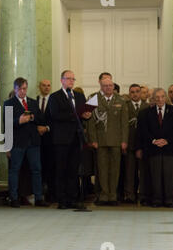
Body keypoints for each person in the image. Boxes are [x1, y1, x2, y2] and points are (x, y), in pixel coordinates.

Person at [47, 70, 91, 209]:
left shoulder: (79, 96)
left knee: (73, 170)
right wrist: (75, 114)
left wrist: (86, 115)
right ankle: (62, 199)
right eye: (68, 78)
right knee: (61, 170)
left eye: (73, 79)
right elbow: (55, 115)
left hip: (76, 138)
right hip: (61, 139)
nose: (71, 81)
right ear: (62, 80)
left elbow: (83, 113)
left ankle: (73, 198)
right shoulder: (55, 97)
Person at [3, 77, 49, 208]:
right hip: (17, 142)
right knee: (15, 170)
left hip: (33, 141)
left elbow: (41, 118)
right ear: (15, 89)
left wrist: (33, 117)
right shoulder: (9, 103)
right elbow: (6, 124)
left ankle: (38, 197)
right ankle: (14, 198)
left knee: (36, 169)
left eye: (25, 88)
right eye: (20, 89)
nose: (23, 91)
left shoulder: (32, 102)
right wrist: (19, 121)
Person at [87, 73, 128, 206]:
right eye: (105, 85)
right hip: (100, 140)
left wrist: (124, 141)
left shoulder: (121, 100)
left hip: (116, 141)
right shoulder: (94, 99)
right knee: (102, 169)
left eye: (110, 85)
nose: (108, 88)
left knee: (115, 169)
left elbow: (124, 124)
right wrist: (93, 139)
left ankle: (113, 195)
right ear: (101, 86)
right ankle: (104, 195)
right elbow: (90, 122)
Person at [141, 88, 173, 208]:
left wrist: (166, 140)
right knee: (155, 176)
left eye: (162, 97)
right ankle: (156, 200)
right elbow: (144, 131)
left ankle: (168, 200)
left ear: (165, 97)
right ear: (154, 99)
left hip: (170, 149)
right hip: (153, 149)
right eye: (157, 97)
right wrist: (154, 140)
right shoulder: (147, 112)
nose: (160, 99)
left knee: (169, 176)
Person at [123, 84, 149, 204]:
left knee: (143, 172)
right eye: (132, 92)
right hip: (129, 143)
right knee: (129, 172)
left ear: (141, 93)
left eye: (137, 91)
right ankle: (130, 195)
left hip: (144, 145)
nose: (135, 94)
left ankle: (143, 195)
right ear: (129, 93)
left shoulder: (147, 106)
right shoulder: (125, 106)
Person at [36, 79, 54, 202]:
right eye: (44, 85)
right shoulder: (33, 101)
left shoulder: (54, 101)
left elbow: (56, 119)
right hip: (36, 140)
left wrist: (47, 128)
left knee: (50, 167)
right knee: (38, 167)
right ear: (39, 87)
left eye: (48, 86)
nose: (46, 88)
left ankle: (50, 194)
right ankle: (38, 193)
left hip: (50, 139)